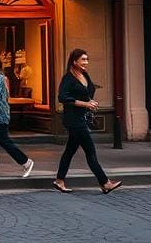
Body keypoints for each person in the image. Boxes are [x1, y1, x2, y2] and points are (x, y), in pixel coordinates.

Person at [53, 48, 122, 194]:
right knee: (90, 152)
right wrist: (85, 104)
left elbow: (88, 92)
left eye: (87, 59)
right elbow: (62, 97)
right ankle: (105, 183)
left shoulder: (85, 75)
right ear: (74, 61)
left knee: (69, 151)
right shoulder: (68, 78)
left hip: (82, 118)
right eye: (83, 59)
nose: (86, 62)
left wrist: (90, 101)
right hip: (74, 120)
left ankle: (59, 180)